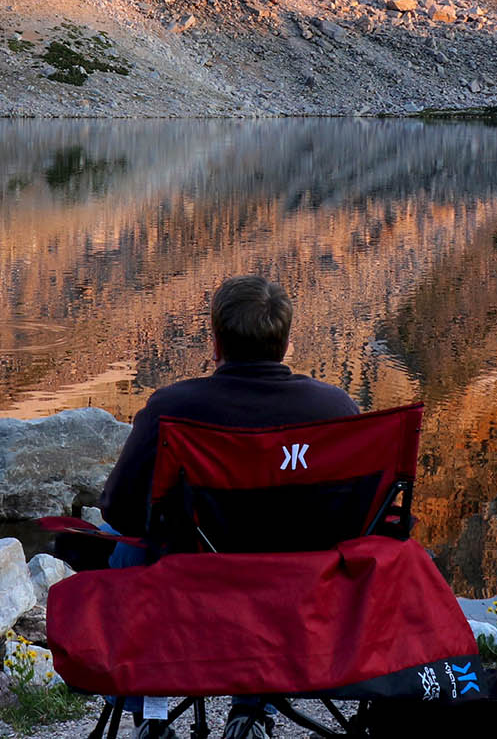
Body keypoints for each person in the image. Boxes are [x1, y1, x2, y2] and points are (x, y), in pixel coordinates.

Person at [98, 274, 358, 739]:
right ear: (286, 344)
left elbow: (118, 510)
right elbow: (364, 520)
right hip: (304, 600)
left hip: (193, 601)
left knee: (130, 550)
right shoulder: (336, 411)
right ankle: (251, 711)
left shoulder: (172, 408)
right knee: (261, 557)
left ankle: (150, 717)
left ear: (215, 344)